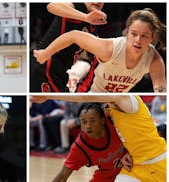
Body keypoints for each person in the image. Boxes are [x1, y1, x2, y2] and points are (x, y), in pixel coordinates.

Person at [31, 95, 166, 181]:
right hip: (135, 167)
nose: (88, 126)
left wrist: (48, 95)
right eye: (84, 122)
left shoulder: (128, 100)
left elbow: (87, 97)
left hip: (159, 161)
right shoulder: (109, 112)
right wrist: (128, 152)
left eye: (92, 121)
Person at [34, 8, 166, 93]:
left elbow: (160, 89)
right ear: (127, 33)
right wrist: (46, 53)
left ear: (152, 38)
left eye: (144, 36)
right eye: (134, 34)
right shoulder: (110, 48)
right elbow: (73, 35)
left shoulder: (154, 59)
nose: (138, 40)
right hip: (89, 97)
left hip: (113, 102)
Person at [30, 3, 106, 92]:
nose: (98, 2)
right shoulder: (78, 7)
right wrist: (85, 17)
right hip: (45, 66)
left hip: (60, 73)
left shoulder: (92, 24)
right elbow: (52, 6)